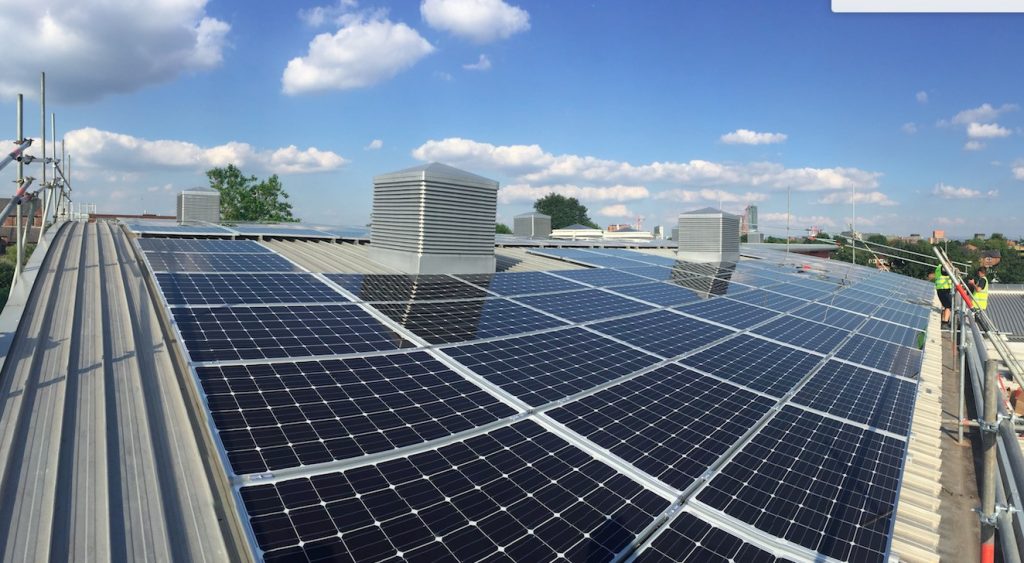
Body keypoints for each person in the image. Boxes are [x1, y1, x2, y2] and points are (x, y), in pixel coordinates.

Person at [928, 263, 952, 328]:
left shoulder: (938, 267)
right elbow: (946, 273)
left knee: (945, 305)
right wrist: (952, 270)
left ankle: (944, 321)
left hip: (940, 289)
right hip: (944, 289)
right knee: (949, 306)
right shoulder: (943, 267)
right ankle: (945, 323)